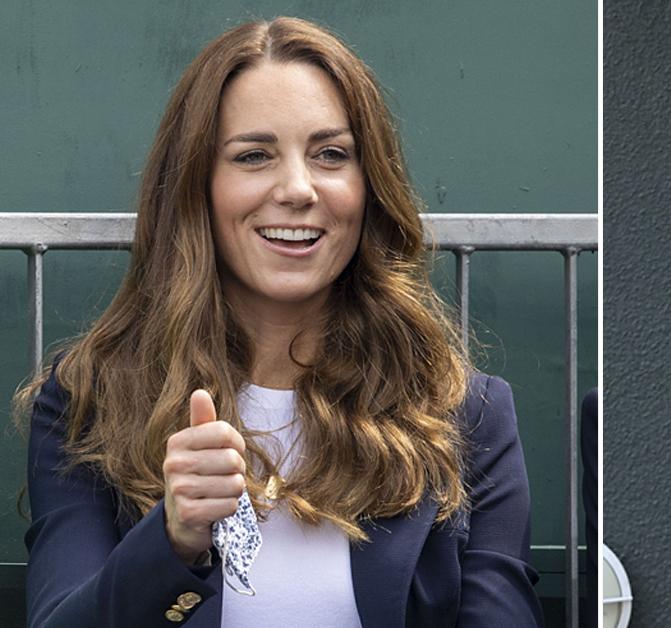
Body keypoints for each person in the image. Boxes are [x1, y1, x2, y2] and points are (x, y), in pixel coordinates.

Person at [17, 17, 543, 627]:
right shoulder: (89, 398)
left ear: (369, 185)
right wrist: (173, 537)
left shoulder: (464, 414)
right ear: (197, 186)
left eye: (330, 154)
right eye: (253, 155)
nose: (297, 188)